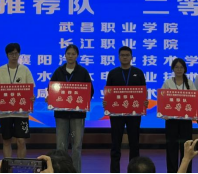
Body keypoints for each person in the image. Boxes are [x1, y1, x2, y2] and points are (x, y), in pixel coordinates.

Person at [49, 44, 95, 174]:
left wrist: (82, 101)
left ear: (77, 55)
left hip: (78, 115)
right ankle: (60, 171)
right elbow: (51, 89)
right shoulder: (58, 71)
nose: (70, 56)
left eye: (73, 54)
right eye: (68, 53)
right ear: (65, 55)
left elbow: (90, 91)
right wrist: (51, 98)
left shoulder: (83, 72)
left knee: (77, 146)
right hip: (61, 115)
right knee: (61, 146)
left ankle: (75, 171)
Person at [105, 46, 149, 174]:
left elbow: (143, 92)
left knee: (134, 144)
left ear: (131, 57)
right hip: (116, 114)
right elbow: (108, 93)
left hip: (134, 114)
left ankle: (135, 170)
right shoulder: (113, 73)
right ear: (119, 57)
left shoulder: (138, 72)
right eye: (122, 55)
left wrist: (145, 101)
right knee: (115, 144)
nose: (125, 57)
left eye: (127, 55)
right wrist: (106, 102)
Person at [0, 43, 35, 159]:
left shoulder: (25, 70)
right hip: (4, 113)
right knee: (6, 141)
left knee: (21, 141)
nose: (14, 56)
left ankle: (21, 165)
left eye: (16, 53)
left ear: (19, 54)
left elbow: (30, 90)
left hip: (22, 113)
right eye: (11, 54)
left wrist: (32, 98)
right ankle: (8, 166)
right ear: (7, 55)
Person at [162, 58, 198, 173]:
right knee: (171, 147)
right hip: (171, 120)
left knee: (186, 147)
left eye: (181, 67)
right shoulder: (168, 82)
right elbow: (162, 100)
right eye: (176, 67)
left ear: (185, 69)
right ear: (173, 69)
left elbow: (194, 100)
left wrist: (194, 114)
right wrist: (163, 114)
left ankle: (186, 170)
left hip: (185, 121)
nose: (179, 69)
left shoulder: (190, 83)